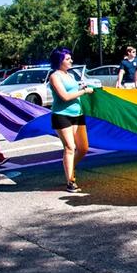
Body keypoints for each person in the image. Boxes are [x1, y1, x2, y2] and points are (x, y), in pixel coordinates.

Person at [48, 48, 93, 193]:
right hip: (62, 115)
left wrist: (81, 87)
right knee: (70, 147)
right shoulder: (55, 76)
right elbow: (65, 97)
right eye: (68, 59)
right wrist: (84, 91)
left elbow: (73, 90)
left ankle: (69, 169)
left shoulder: (70, 75)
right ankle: (70, 181)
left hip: (77, 114)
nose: (71, 61)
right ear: (60, 61)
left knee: (83, 148)